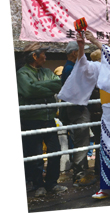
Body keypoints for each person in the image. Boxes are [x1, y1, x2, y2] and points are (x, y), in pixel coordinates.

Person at [57, 30, 110, 199]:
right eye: (108, 41)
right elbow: (84, 67)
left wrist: (96, 42)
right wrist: (82, 47)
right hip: (109, 110)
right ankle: (107, 185)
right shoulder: (101, 65)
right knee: (107, 147)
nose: (109, 44)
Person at [18, 43, 68, 197]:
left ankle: (52, 183)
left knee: (55, 152)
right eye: (44, 54)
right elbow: (28, 90)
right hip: (31, 120)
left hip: (49, 119)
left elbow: (58, 84)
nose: (46, 57)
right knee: (37, 155)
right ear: (34, 56)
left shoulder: (47, 72)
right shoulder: (22, 74)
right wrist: (45, 87)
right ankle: (38, 184)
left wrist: (38, 87)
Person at [60, 40, 96, 187]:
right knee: (81, 140)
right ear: (74, 53)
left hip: (76, 107)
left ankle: (81, 173)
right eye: (80, 51)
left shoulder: (69, 67)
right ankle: (79, 175)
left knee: (81, 139)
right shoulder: (71, 69)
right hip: (77, 108)